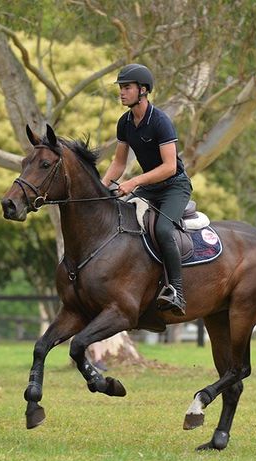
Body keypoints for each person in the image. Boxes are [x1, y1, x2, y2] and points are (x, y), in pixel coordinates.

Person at [102, 63, 192, 316]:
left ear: (143, 90)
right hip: (150, 188)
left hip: (175, 186)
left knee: (163, 229)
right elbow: (119, 162)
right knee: (124, 221)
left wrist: (134, 182)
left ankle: (177, 292)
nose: (121, 92)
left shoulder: (160, 121)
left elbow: (170, 167)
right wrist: (102, 186)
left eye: (126, 87)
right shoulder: (125, 122)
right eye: (121, 88)